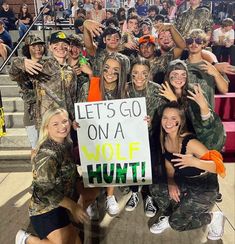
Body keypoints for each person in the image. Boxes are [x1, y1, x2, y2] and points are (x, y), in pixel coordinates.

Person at [149, 102, 226, 241]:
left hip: (204, 188)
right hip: (184, 181)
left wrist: (195, 162)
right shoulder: (165, 137)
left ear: (181, 121)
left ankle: (213, 218)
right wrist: (171, 181)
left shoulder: (190, 142)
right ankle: (172, 214)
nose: (168, 122)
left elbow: (218, 166)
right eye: (165, 117)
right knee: (156, 187)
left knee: (177, 224)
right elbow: (169, 164)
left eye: (173, 118)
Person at [15, 107, 89, 244]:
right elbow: (45, 191)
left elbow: (72, 173)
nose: (62, 126)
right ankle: (27, 239)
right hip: (45, 209)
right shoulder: (47, 155)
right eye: (55, 124)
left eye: (65, 121)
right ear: (47, 127)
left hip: (62, 203)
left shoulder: (66, 144)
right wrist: (73, 206)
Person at [79, 52, 130, 217]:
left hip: (115, 138)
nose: (110, 73)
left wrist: (142, 120)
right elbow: (80, 112)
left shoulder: (126, 90)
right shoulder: (89, 87)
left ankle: (109, 196)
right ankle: (91, 200)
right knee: (93, 165)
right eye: (106, 68)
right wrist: (76, 123)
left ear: (122, 72)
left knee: (115, 163)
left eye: (116, 70)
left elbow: (132, 117)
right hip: (93, 137)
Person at [125, 57, 161, 217]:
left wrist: (152, 122)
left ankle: (150, 197)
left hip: (151, 137)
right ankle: (134, 192)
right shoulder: (124, 89)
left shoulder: (157, 90)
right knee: (132, 166)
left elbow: (164, 117)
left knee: (151, 167)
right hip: (129, 138)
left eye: (144, 73)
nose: (139, 77)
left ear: (149, 73)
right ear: (130, 73)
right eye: (135, 73)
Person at [9, 34, 45, 153]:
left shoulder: (49, 65)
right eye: (34, 46)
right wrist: (22, 62)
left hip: (48, 115)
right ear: (27, 48)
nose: (38, 49)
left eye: (40, 46)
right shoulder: (21, 67)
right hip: (32, 116)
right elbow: (12, 71)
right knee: (36, 149)